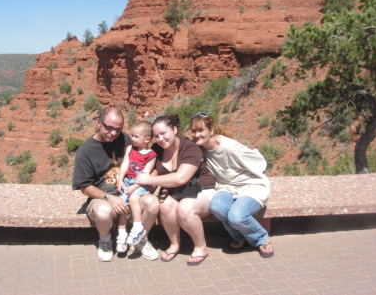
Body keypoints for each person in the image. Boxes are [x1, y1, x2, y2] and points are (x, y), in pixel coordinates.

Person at [72, 107, 160, 262]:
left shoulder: (125, 139)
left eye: (118, 129)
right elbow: (84, 187)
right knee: (104, 211)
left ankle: (141, 240)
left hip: (131, 192)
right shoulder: (86, 151)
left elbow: (149, 162)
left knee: (152, 203)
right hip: (103, 196)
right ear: (99, 123)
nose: (113, 133)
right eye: (109, 128)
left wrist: (150, 179)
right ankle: (105, 241)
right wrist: (108, 197)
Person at [189, 112, 274, 258]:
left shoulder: (229, 147)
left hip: (250, 185)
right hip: (226, 186)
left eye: (201, 130)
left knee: (237, 216)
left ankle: (261, 238)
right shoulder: (201, 148)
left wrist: (249, 174)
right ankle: (240, 237)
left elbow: (259, 160)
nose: (197, 135)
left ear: (211, 131)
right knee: (216, 207)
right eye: (194, 131)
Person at [136, 114, 216, 266]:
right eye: (156, 136)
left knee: (184, 208)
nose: (160, 139)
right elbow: (152, 169)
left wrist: (149, 180)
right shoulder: (157, 149)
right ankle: (175, 244)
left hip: (202, 190)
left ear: (174, 129)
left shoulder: (190, 147)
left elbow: (181, 178)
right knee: (165, 205)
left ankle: (200, 247)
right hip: (178, 191)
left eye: (163, 133)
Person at [116, 121, 157, 252]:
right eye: (132, 135)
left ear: (147, 139)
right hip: (128, 180)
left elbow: (146, 173)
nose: (132, 139)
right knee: (122, 206)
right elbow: (125, 165)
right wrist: (120, 180)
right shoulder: (130, 149)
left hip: (140, 182)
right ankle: (121, 235)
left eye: (136, 137)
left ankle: (137, 227)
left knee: (134, 199)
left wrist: (135, 186)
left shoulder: (151, 155)